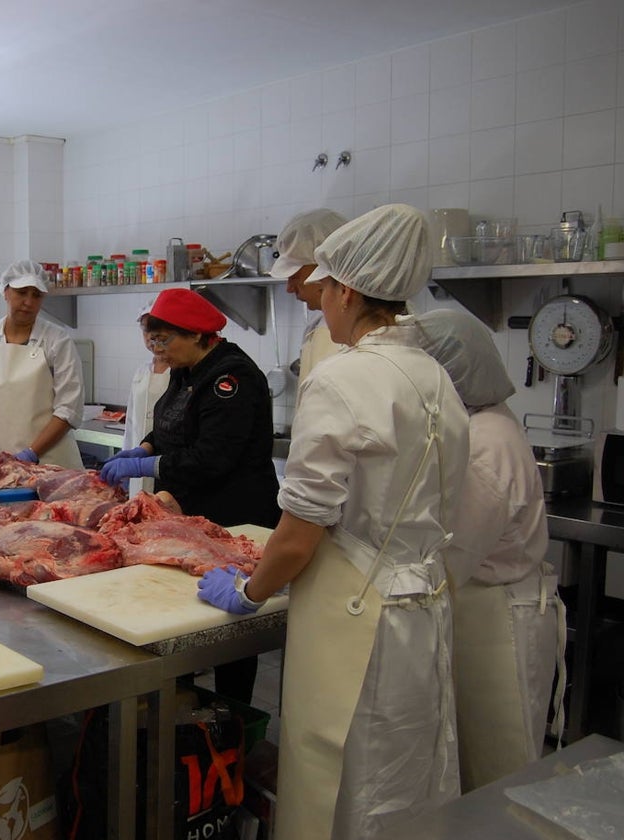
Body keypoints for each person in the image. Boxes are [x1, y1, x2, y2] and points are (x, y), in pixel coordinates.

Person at [198, 204, 470, 839]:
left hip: (355, 613)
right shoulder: (437, 377)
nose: (321, 311)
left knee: (338, 773)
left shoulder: (342, 379)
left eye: (323, 296)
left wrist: (246, 591)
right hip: (424, 607)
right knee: (406, 773)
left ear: (346, 290)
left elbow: (298, 534)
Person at [101, 287, 279, 704]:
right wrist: (145, 447)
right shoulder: (188, 369)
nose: (160, 349)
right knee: (189, 615)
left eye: (167, 339)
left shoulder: (229, 378)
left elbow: (212, 457)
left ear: (198, 334)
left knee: (232, 630)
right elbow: (169, 424)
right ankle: (184, 703)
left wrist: (149, 467)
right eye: (154, 339)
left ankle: (232, 717)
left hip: (236, 515)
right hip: (194, 515)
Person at [415, 308, 564, 791]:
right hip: (478, 604)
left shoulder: (483, 443)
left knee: (501, 765)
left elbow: (452, 559)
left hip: (497, 617)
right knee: (472, 763)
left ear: (446, 374)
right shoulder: (479, 422)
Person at [0, 260, 84, 469]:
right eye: (22, 292)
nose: (28, 302)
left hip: (50, 466)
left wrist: (31, 453)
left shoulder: (57, 341)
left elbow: (68, 409)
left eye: (36, 295)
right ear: (6, 292)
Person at [267, 209, 347, 395]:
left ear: (325, 265)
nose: (289, 288)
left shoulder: (363, 332)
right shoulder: (317, 326)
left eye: (294, 276)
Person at [121, 301, 170, 497]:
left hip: (166, 468)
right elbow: (131, 422)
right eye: (147, 333)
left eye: (158, 333)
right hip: (137, 465)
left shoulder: (181, 372)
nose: (152, 340)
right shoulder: (142, 371)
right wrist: (126, 462)